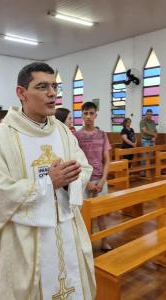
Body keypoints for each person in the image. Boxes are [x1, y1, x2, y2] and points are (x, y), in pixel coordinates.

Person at [0, 62, 95, 300]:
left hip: (65, 231)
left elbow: (83, 168)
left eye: (54, 86)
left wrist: (67, 180)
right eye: (42, 87)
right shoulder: (0, 138)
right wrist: (47, 183)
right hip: (24, 240)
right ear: (21, 93)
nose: (52, 93)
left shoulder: (63, 133)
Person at [74, 102, 112, 251]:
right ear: (82, 115)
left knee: (101, 212)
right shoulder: (77, 136)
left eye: (91, 113)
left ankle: (104, 241)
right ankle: (86, 243)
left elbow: (107, 159)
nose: (88, 116)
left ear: (96, 114)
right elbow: (75, 160)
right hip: (84, 181)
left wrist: (103, 179)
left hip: (100, 179)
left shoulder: (102, 135)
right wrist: (87, 181)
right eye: (85, 113)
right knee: (84, 214)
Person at [139, 108, 158, 175]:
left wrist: (155, 136)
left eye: (151, 114)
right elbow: (145, 131)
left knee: (150, 156)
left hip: (152, 140)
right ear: (146, 114)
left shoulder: (152, 122)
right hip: (145, 140)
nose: (150, 116)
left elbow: (155, 130)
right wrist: (153, 134)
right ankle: (142, 172)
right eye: (148, 114)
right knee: (145, 156)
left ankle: (148, 170)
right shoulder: (142, 121)